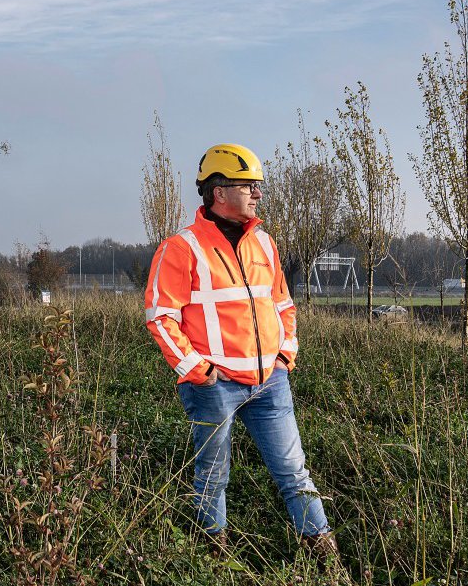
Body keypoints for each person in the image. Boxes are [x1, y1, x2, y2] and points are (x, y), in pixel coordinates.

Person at [143, 142, 339, 559]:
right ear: (218, 191)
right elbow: (161, 317)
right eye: (249, 185)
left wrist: (287, 354)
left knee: (294, 471)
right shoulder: (181, 248)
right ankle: (213, 559)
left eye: (258, 185)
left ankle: (325, 557)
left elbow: (283, 304)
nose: (258, 193)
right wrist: (198, 370)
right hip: (214, 387)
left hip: (271, 382)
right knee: (213, 475)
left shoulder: (265, 244)